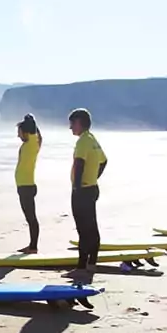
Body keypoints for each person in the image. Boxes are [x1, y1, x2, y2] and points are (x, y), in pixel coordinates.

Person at [67, 108, 107, 280]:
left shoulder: (83, 141)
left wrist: (77, 187)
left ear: (79, 122)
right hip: (92, 188)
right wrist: (94, 177)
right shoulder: (92, 140)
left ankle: (81, 267)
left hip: (82, 191)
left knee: (83, 230)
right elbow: (104, 161)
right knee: (92, 227)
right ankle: (92, 264)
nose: (70, 128)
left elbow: (79, 164)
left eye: (72, 124)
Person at [15, 113, 42, 253]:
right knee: (29, 217)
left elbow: (39, 136)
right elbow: (39, 136)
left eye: (19, 132)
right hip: (24, 186)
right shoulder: (29, 143)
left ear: (26, 132)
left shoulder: (32, 143)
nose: (18, 136)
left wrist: (31, 120)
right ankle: (32, 245)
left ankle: (33, 247)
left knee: (31, 218)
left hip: (27, 186)